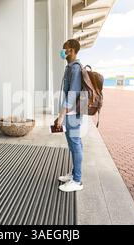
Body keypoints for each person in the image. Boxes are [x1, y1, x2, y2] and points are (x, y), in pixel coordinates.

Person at [54, 39, 84, 192]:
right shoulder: (70, 67)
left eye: (64, 49)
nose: (62, 51)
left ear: (71, 50)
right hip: (70, 112)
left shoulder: (76, 68)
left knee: (75, 143)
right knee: (73, 143)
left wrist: (61, 116)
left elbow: (72, 94)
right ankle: (74, 174)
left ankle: (77, 180)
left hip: (74, 112)